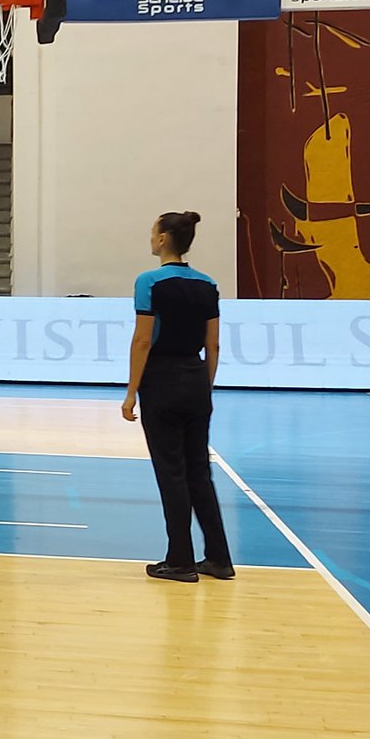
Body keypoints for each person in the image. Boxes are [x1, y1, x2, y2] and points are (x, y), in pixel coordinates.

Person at [124, 210, 233, 583]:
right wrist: (207, 385)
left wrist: (131, 393)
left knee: (171, 472)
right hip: (195, 378)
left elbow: (142, 341)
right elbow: (213, 343)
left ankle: (181, 560)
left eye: (153, 232)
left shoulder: (149, 282)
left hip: (162, 380)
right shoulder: (208, 284)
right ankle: (219, 558)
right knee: (199, 471)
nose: (150, 238)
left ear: (163, 240)